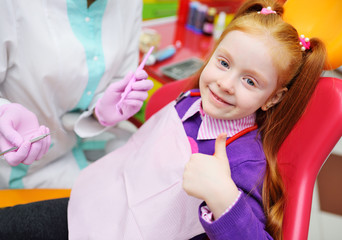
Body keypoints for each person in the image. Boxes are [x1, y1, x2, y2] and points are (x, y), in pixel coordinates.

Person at [0, 0, 327, 239]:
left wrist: (226, 202)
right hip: (96, 205)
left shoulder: (243, 163)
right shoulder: (189, 101)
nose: (225, 84)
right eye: (223, 63)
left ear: (274, 98)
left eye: (251, 81)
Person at [0, 0, 152, 189]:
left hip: (90, 140)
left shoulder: (129, 4)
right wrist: (3, 111)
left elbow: (121, 76)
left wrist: (100, 112)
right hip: (28, 168)